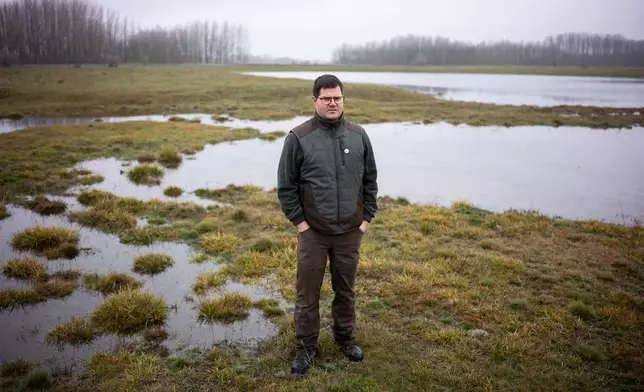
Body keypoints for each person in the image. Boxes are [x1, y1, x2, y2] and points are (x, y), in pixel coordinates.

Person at [277, 74, 378, 376]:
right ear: (315, 101)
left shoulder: (358, 135)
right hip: (314, 234)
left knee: (346, 290)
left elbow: (370, 180)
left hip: (350, 232)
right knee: (307, 294)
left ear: (343, 99)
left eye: (337, 98)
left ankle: (345, 339)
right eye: (326, 98)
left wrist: (366, 218)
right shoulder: (299, 137)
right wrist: (301, 223)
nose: (332, 103)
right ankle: (306, 346)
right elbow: (286, 186)